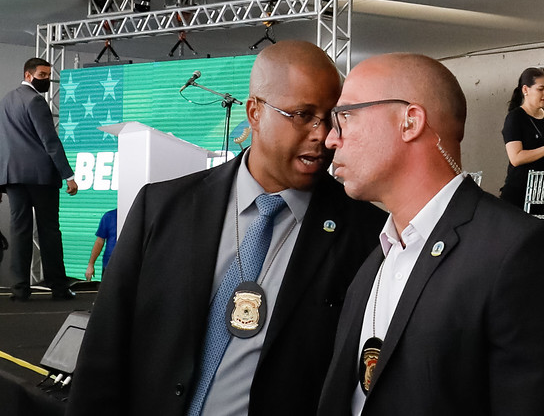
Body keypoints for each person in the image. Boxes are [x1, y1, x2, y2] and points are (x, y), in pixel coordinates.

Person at [71, 41, 382, 416]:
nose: (323, 135)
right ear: (254, 112)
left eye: (331, 118)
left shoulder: (367, 236)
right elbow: (104, 349)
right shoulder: (162, 208)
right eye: (303, 115)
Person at [315, 53, 544, 416]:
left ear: (410, 122)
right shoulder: (377, 251)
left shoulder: (523, 254)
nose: (330, 138)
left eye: (345, 116)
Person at [0, 56, 79, 301]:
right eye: (42, 75)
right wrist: (68, 175)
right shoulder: (36, 101)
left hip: (12, 175)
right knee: (49, 231)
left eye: (48, 76)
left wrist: (4, 170)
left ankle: (19, 289)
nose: (47, 80)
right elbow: (50, 141)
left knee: (19, 231)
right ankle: (59, 287)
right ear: (28, 75)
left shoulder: (5, 101)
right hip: (41, 176)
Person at [496, 68, 544, 211]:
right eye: (541, 89)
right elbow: (516, 157)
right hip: (521, 192)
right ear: (525, 90)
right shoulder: (515, 118)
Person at [84, 207, 118, 281]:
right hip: (109, 264)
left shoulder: (136, 217)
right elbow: (99, 242)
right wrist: (91, 264)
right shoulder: (109, 216)